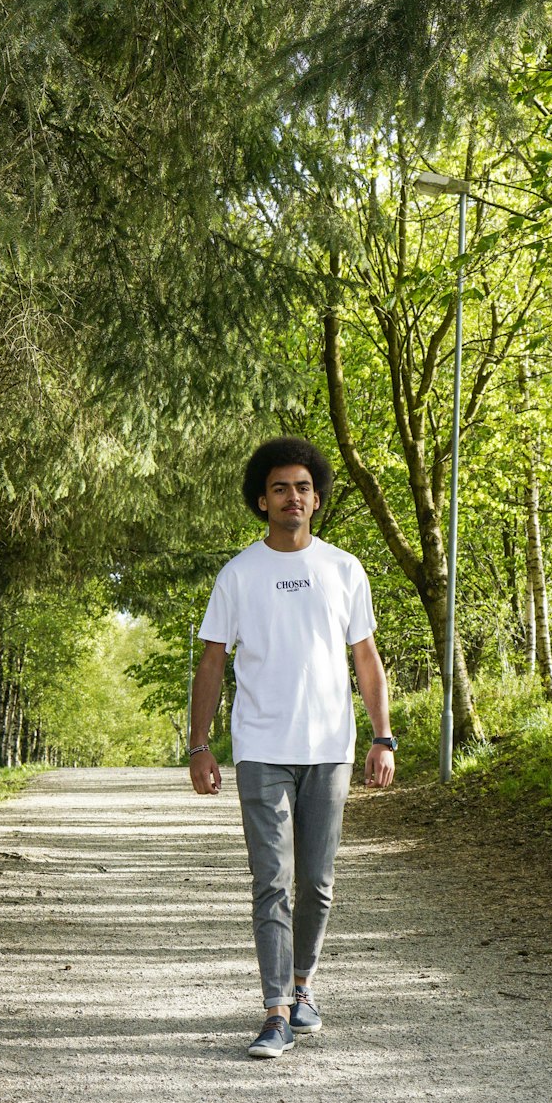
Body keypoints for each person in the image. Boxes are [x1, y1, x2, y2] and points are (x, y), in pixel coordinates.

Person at [188, 437, 397, 1058]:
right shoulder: (239, 574)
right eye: (280, 488)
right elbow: (211, 664)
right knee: (271, 879)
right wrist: (200, 746)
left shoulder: (343, 569)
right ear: (262, 499)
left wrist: (382, 736)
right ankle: (275, 1010)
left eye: (303, 487)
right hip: (261, 746)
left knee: (318, 881)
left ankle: (304, 987)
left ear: (317, 497)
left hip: (330, 746)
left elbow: (366, 659)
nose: (293, 497)